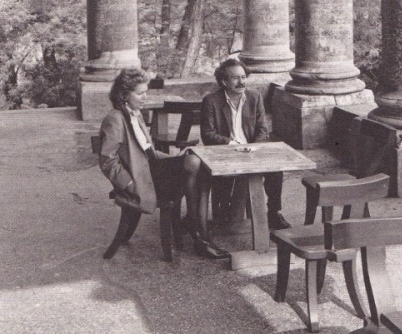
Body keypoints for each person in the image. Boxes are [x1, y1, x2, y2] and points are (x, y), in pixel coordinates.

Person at [98, 67, 229, 259]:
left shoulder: (135, 114)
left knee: (197, 161)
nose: (145, 98)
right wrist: (129, 184)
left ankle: (199, 233)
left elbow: (149, 153)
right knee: (194, 164)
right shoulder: (115, 119)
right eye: (140, 93)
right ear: (124, 94)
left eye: (146, 93)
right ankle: (199, 234)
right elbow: (107, 160)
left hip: (153, 170)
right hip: (142, 178)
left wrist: (175, 158)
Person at [201, 58, 291, 230]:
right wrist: (232, 144)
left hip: (252, 150)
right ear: (223, 81)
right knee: (227, 178)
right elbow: (208, 134)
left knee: (275, 169)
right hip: (226, 153)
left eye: (243, 77)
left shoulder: (254, 97)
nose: (241, 82)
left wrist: (254, 147)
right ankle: (224, 211)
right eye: (235, 78)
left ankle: (273, 212)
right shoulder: (211, 101)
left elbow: (263, 129)